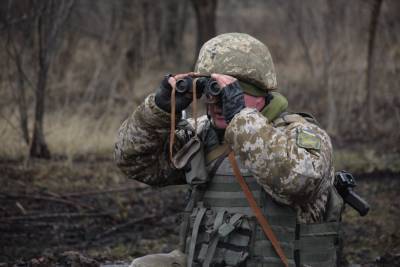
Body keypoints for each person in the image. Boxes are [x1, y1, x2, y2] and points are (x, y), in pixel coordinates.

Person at [115, 33, 343, 267]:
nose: (216, 102)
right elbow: (134, 162)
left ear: (259, 94)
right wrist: (159, 111)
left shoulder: (301, 134)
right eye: (210, 91)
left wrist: (241, 120)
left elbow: (298, 184)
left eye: (230, 92)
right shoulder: (203, 133)